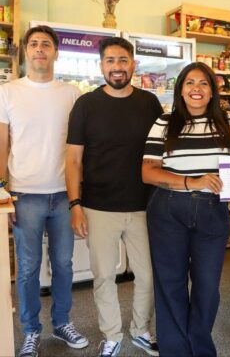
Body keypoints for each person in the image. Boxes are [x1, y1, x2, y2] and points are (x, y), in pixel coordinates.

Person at [65, 37, 162, 357]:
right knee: (104, 276)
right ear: (101, 66)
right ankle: (111, 335)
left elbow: (161, 153)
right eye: (110, 61)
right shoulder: (86, 105)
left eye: (123, 60)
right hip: (98, 206)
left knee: (148, 276)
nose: (117, 67)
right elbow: (73, 160)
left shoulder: (149, 103)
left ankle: (140, 329)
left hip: (144, 205)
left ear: (133, 64)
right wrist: (75, 205)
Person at [0, 25, 88, 357]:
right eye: (34, 43)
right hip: (24, 195)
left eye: (46, 44)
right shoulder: (8, 92)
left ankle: (62, 322)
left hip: (64, 194)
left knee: (64, 264)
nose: (40, 48)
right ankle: (31, 331)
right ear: (26, 51)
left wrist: (80, 195)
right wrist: (2, 193)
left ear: (55, 52)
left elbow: (79, 148)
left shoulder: (71, 93)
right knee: (27, 268)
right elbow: (2, 144)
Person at [142, 62, 230, 357]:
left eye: (204, 83)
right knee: (170, 283)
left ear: (212, 91)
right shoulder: (165, 122)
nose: (197, 88)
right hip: (168, 209)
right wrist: (190, 181)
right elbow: (148, 172)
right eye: (190, 82)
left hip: (212, 211)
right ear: (180, 90)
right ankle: (175, 351)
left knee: (207, 286)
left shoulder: (227, 122)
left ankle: (200, 348)